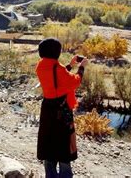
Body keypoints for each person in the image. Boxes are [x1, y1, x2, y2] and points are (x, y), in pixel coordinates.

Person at [36, 38, 88, 178]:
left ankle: (50, 175)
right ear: (56, 52)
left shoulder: (40, 66)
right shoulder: (58, 69)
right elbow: (74, 81)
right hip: (61, 109)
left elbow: (57, 78)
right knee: (64, 142)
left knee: (48, 140)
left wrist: (70, 65)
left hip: (47, 107)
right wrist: (81, 67)